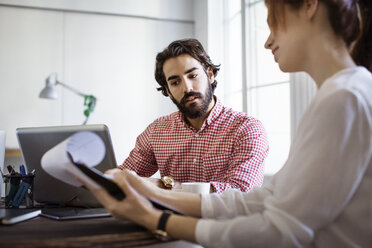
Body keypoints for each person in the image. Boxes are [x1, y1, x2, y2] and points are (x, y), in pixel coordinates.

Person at [80, 0, 372, 247]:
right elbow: (267, 199)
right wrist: (150, 192)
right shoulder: (341, 94)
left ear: (309, 5)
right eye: (175, 81)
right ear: (167, 90)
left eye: (273, 21)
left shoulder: (345, 98)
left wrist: (155, 216)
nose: (267, 40)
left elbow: (281, 230)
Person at [119, 39, 269, 193]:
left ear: (210, 75)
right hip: (166, 216)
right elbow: (122, 178)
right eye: (175, 82)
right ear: (168, 92)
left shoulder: (247, 129)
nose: (187, 88)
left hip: (223, 218)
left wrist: (166, 185)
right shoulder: (156, 132)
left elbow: (240, 193)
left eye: (193, 75)